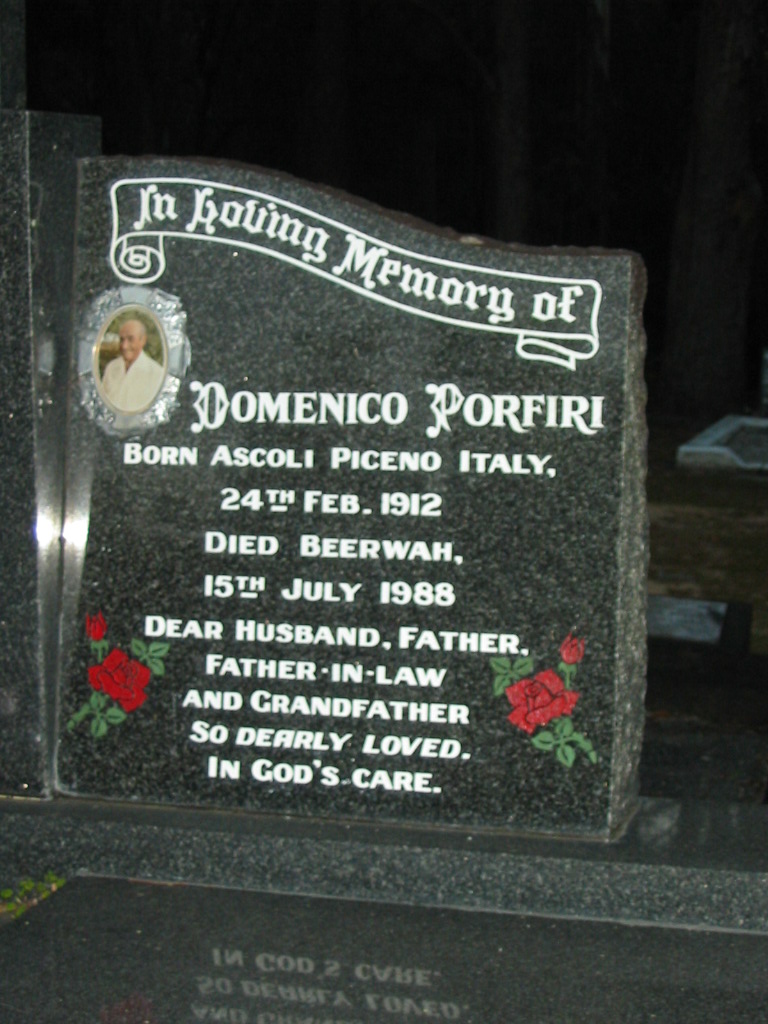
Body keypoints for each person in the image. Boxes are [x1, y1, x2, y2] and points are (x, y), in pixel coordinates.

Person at [100, 318, 165, 413]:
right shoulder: (111, 367)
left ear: (143, 340)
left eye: (130, 339)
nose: (124, 346)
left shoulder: (156, 374)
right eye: (122, 339)